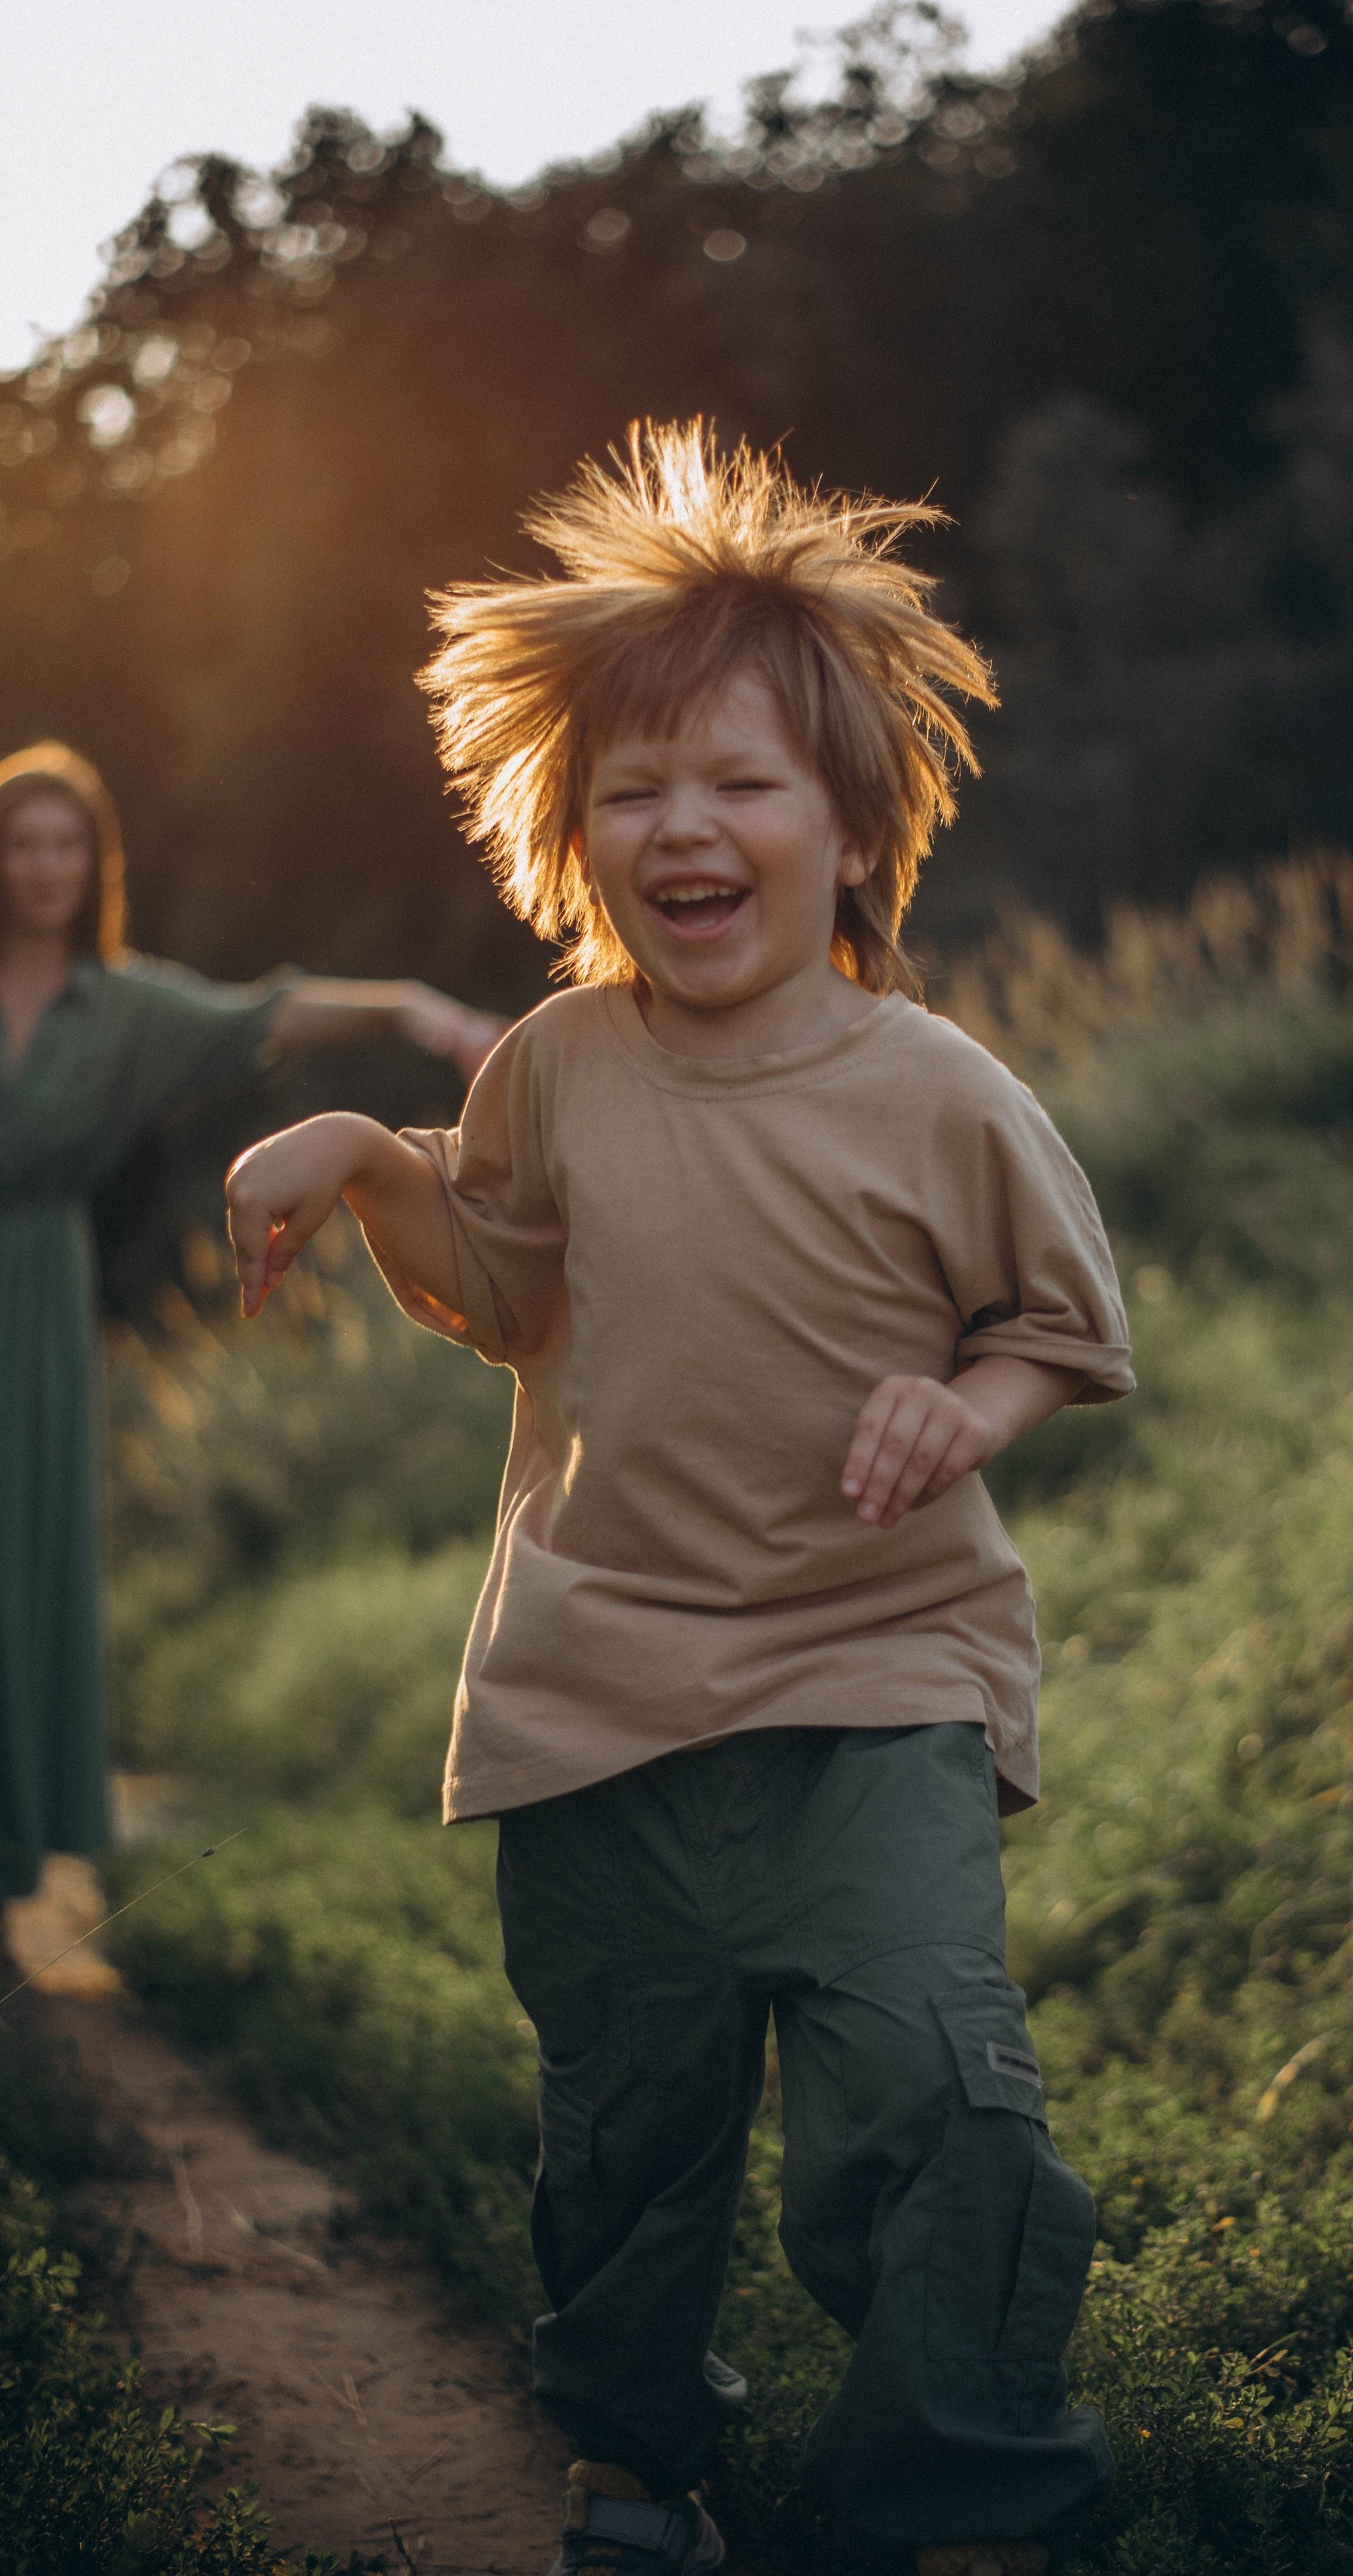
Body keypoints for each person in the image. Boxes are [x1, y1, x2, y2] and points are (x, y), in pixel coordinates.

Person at [224, 425, 1132, 2576]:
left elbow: (1060, 1324)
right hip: (598, 1690)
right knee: (627, 2142)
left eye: (740, 782)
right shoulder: (551, 1064)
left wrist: (965, 1408)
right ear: (569, 835)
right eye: (632, 791)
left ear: (853, 825)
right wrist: (363, 1155)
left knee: (936, 2089)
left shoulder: (941, 1090)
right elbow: (500, 1288)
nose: (685, 827)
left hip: (877, 1677)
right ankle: (637, 2466)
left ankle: (963, 2496)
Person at [0, 738, 505, 1944]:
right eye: (22, 843)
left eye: (68, 844)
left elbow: (267, 1013)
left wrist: (413, 1008)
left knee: (17, 1552)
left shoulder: (123, 1010)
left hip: (33, 1306)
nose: (46, 866)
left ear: (95, 863)